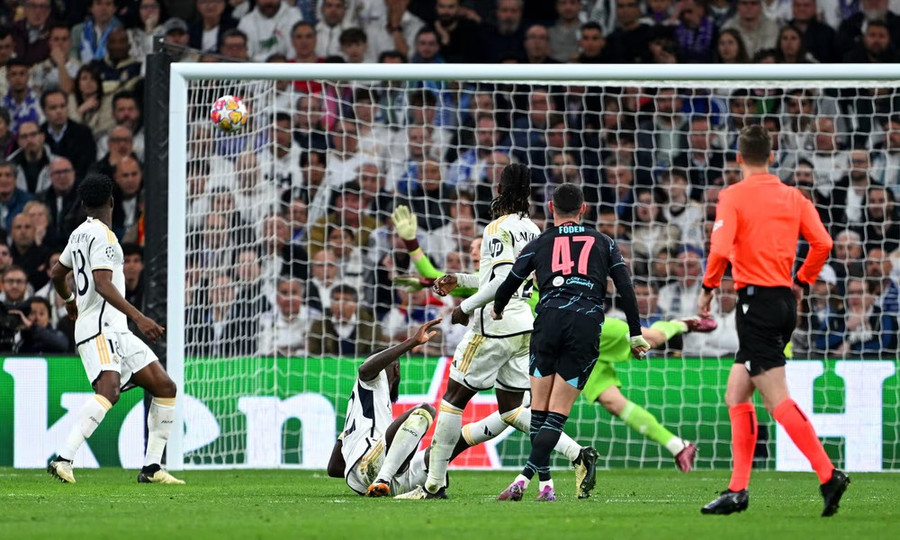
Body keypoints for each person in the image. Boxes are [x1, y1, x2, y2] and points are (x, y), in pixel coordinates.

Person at [697, 124, 848, 516]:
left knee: (776, 398)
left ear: (738, 158)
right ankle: (737, 490)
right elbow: (824, 243)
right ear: (772, 156)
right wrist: (803, 280)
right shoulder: (793, 196)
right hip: (783, 302)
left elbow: (720, 248)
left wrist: (708, 288)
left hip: (756, 305)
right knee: (737, 394)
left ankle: (828, 474)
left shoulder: (733, 195)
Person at [490, 183, 647, 502]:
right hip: (584, 325)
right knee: (556, 413)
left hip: (548, 322)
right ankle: (529, 480)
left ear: (551, 208)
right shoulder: (604, 242)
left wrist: (498, 307)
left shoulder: (539, 242)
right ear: (583, 209)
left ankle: (542, 485)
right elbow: (626, 288)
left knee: (538, 412)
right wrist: (635, 333)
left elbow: (511, 280)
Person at [46, 173, 183, 485]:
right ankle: (64, 458)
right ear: (111, 201)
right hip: (100, 329)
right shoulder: (105, 237)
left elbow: (56, 273)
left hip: (115, 330)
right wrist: (141, 318)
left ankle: (152, 467)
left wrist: (69, 300)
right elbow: (103, 284)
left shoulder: (78, 234)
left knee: (165, 387)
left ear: (84, 205)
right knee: (109, 391)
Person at [327, 319, 441, 496]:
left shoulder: (361, 408)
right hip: (372, 466)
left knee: (437, 456)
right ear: (396, 369)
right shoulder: (373, 382)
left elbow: (334, 468)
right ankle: (385, 478)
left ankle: (394, 481)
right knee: (425, 411)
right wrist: (412, 342)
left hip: (368, 478)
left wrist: (360, 475)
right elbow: (364, 371)